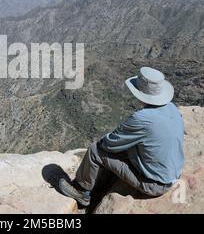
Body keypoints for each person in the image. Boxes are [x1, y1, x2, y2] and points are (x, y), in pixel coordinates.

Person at [58, 67, 184, 207]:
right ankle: (101, 181)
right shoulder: (172, 107)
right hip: (172, 173)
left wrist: (107, 138)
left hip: (155, 184)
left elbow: (109, 144)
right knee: (126, 148)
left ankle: (81, 191)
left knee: (96, 151)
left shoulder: (142, 118)